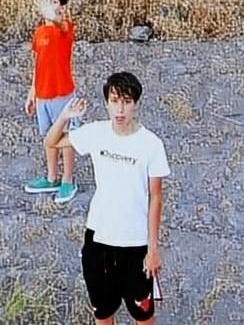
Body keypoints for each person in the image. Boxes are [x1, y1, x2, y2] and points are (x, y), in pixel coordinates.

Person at [45, 71, 170, 324]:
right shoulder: (96, 133)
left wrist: (153, 248)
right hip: (99, 239)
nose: (120, 109)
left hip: (137, 243)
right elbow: (52, 141)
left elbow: (155, 197)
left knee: (143, 314)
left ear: (136, 104)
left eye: (126, 101)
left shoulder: (151, 144)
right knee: (103, 312)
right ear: (106, 103)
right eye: (114, 101)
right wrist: (66, 116)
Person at [23, 0, 79, 203]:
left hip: (62, 95)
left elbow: (63, 25)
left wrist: (58, 15)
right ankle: (52, 176)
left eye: (56, 2)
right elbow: (39, 64)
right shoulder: (39, 33)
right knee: (49, 139)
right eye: (48, 0)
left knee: (65, 138)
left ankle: (68, 179)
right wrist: (33, 91)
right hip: (43, 96)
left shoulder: (64, 29)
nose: (51, 5)